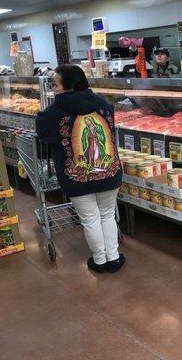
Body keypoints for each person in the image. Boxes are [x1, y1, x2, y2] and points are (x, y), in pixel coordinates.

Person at [36, 65, 124, 273]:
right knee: (107, 215)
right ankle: (113, 257)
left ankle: (100, 260)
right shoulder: (104, 105)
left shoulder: (52, 113)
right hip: (109, 172)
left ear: (68, 86)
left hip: (76, 177)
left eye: (56, 84)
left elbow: (43, 134)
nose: (53, 88)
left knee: (90, 218)